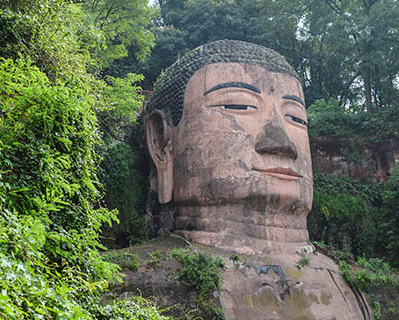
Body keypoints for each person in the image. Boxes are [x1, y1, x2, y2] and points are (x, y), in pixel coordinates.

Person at [144, 39, 371, 319]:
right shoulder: (136, 289)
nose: (282, 143)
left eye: (296, 118)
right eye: (239, 105)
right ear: (161, 142)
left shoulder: (377, 288)